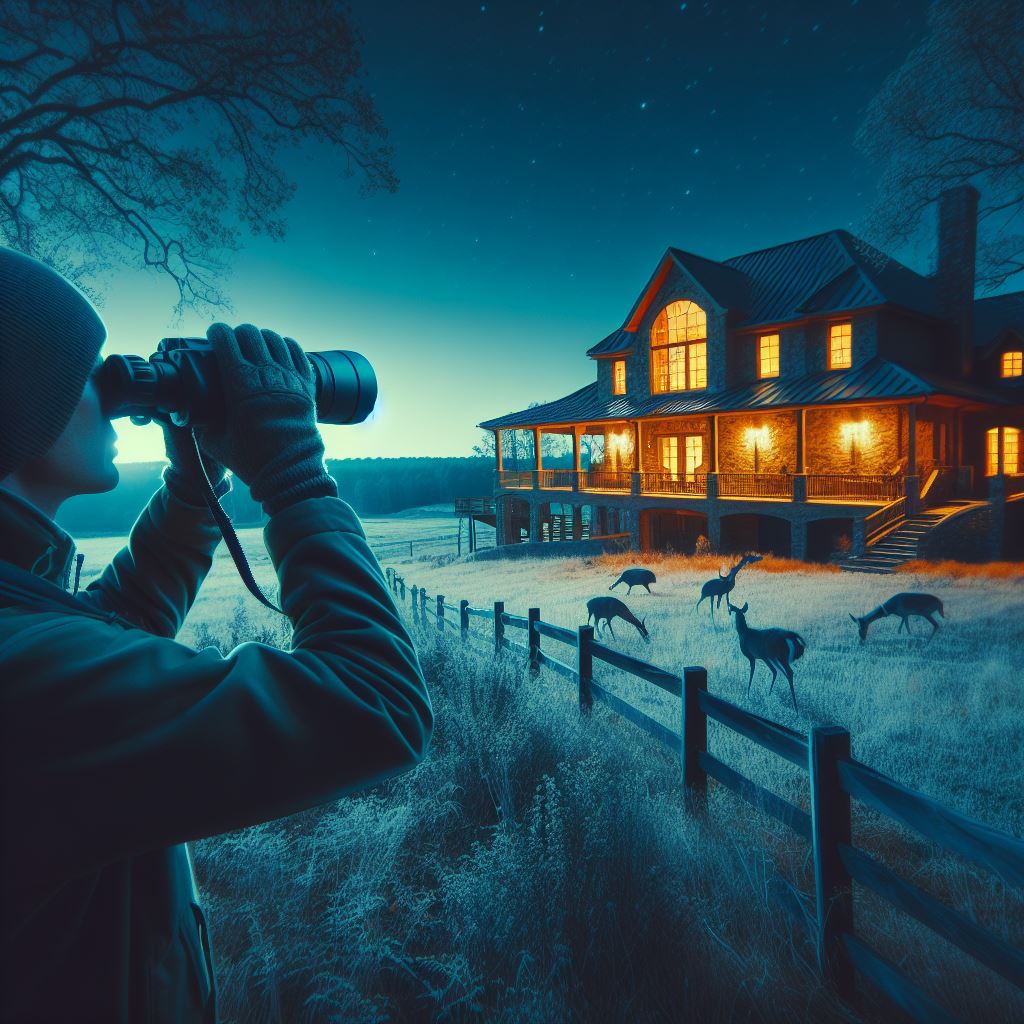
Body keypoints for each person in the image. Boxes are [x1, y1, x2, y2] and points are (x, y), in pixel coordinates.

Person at [0, 247, 434, 1023]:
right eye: (88, 371)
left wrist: (194, 488)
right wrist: (294, 475)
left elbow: (105, 636)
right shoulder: (22, 677)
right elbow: (374, 704)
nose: (114, 391)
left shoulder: (22, 618)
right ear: (19, 404)